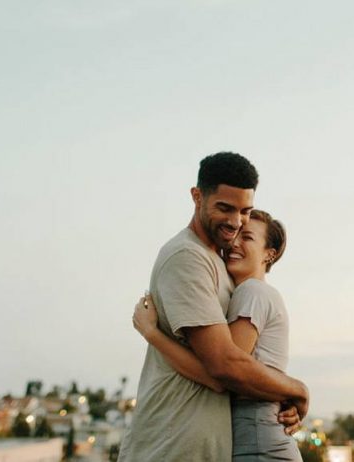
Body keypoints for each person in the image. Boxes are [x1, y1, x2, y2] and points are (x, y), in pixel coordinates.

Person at [118, 152, 308, 462]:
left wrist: (278, 394)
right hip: (171, 446)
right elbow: (224, 369)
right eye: (225, 208)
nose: (235, 222)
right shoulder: (187, 257)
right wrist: (296, 390)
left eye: (245, 211)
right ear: (197, 197)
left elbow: (244, 365)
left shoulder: (225, 268)